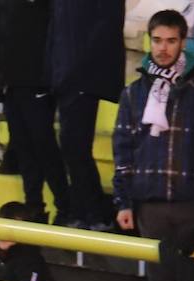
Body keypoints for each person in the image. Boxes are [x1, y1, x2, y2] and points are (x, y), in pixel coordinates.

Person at [113, 8, 194, 281]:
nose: (163, 48)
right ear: (148, 41)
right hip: (150, 205)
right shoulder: (134, 93)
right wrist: (123, 201)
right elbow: (123, 150)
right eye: (157, 40)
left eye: (170, 41)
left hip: (193, 205)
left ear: (183, 42)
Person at [47, 0, 126, 230]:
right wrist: (52, 73)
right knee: (71, 148)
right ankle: (86, 211)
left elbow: (107, 28)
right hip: (64, 77)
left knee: (76, 147)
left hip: (84, 78)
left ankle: (94, 213)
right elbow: (56, 30)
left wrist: (79, 72)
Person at [0, 0, 69, 224]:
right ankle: (34, 207)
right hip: (12, 81)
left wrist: (49, 80)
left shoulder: (50, 7)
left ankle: (65, 205)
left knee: (44, 146)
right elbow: (1, 37)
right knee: (23, 147)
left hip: (39, 82)